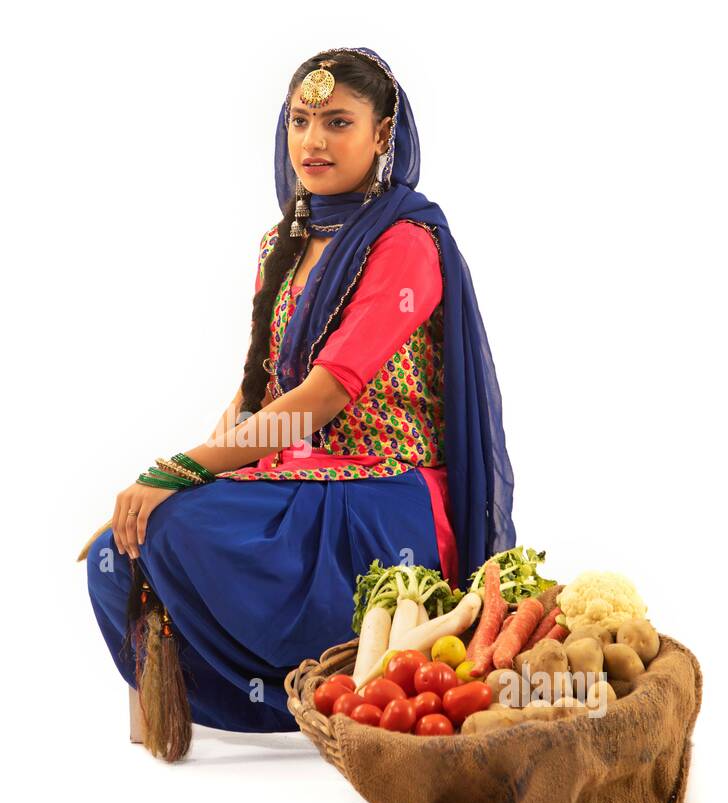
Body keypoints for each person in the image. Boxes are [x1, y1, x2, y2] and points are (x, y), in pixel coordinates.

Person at [84, 47, 515, 758]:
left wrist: (179, 470)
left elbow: (320, 397)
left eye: (338, 122)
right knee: (119, 546)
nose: (313, 142)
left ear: (383, 136)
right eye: (300, 121)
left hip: (385, 500)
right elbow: (259, 396)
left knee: (169, 528)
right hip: (297, 480)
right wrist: (174, 482)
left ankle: (329, 695)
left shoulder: (407, 243)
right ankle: (180, 721)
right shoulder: (280, 244)